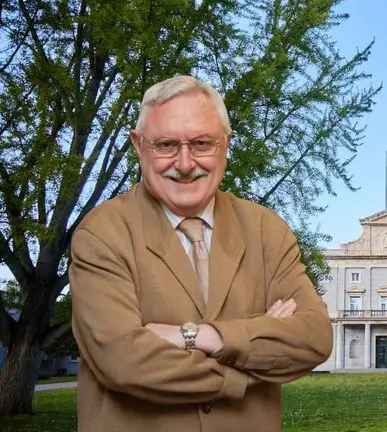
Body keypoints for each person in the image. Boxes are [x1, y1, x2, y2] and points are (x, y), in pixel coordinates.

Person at [69, 75, 333, 432]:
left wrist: (199, 336)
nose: (185, 162)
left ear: (226, 144)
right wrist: (249, 363)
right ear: (138, 145)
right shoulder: (101, 234)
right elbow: (124, 362)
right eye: (165, 145)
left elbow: (314, 338)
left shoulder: (265, 229)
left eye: (202, 143)